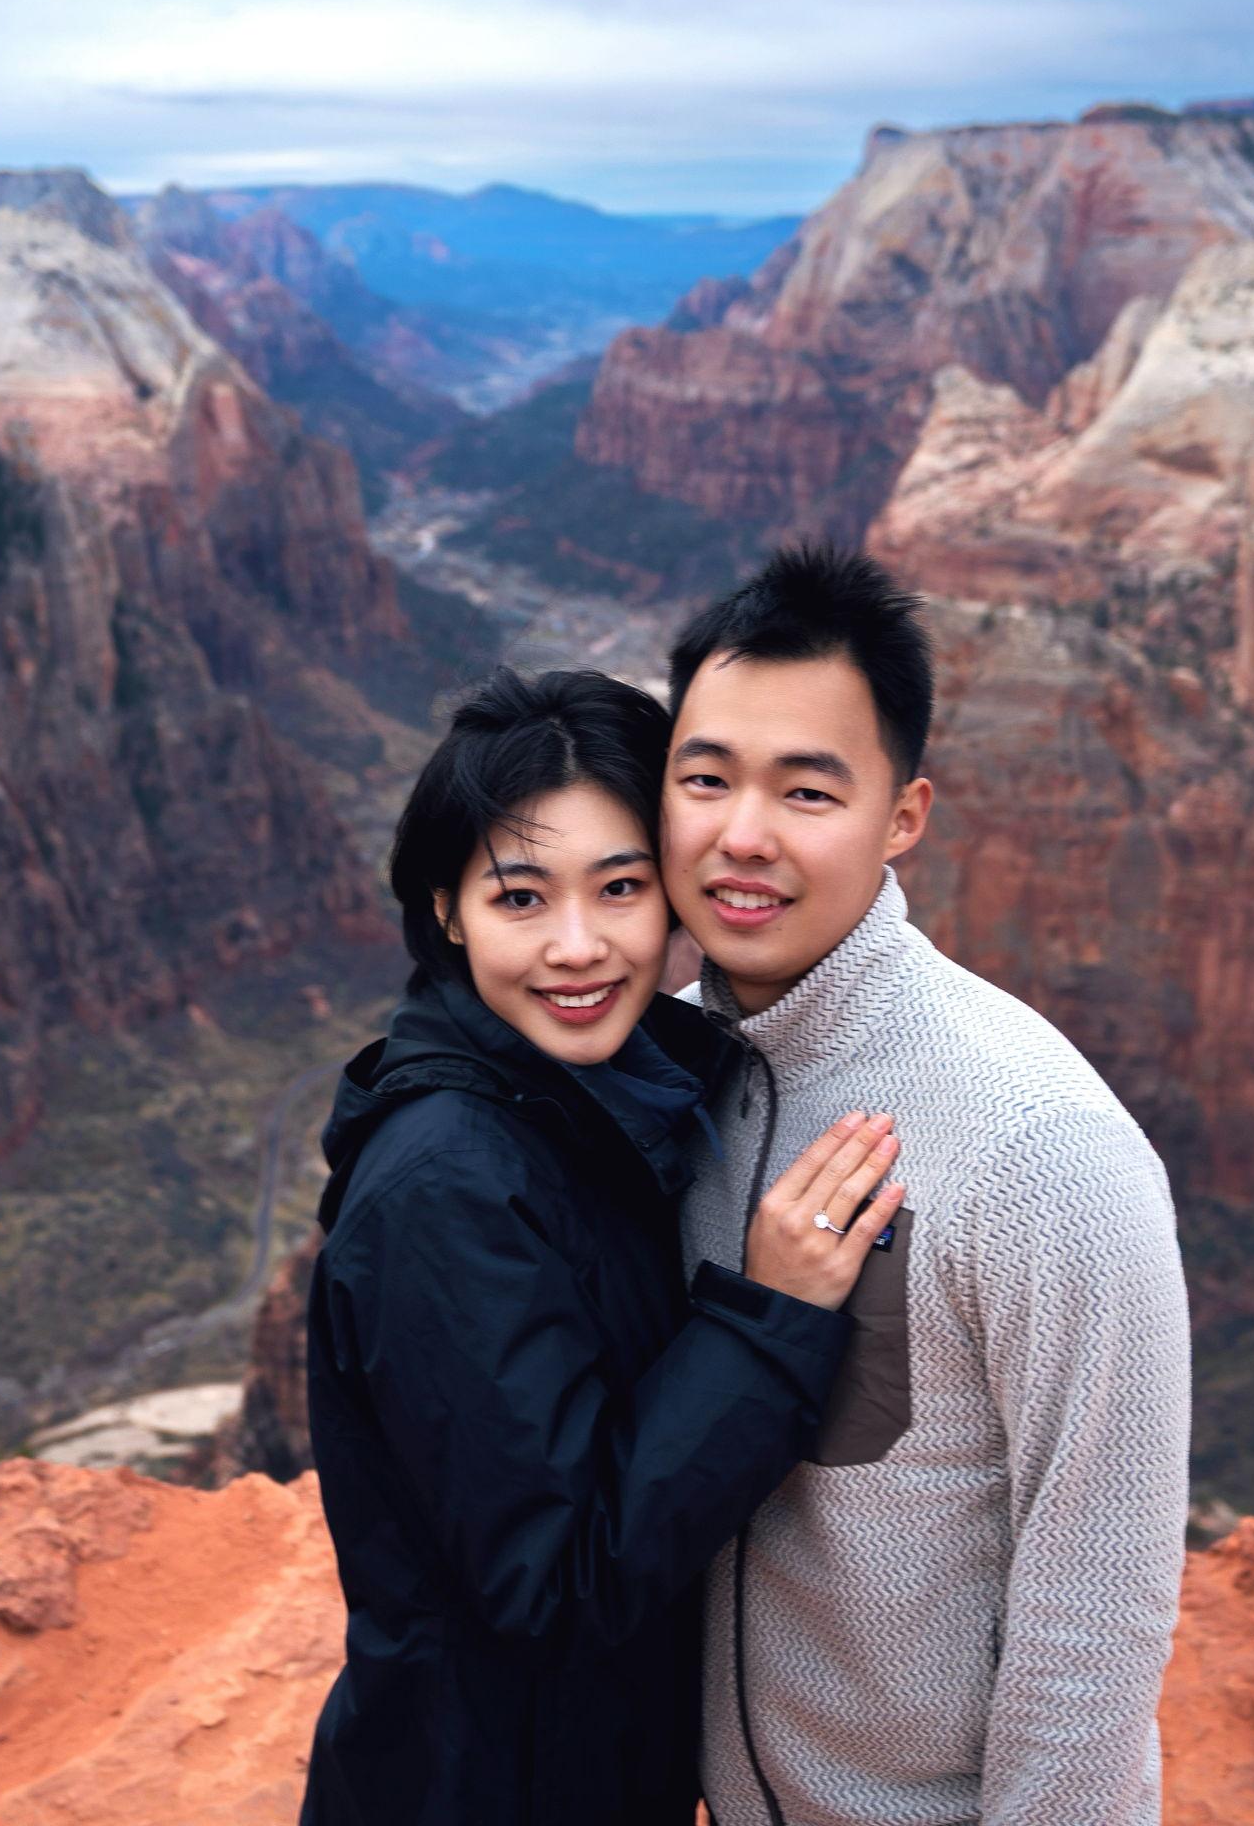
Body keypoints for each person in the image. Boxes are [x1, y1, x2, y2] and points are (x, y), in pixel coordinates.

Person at [298, 666, 908, 1826]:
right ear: (444, 908)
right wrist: (765, 1317)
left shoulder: (592, 1093)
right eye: (519, 899)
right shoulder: (446, 1187)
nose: (576, 948)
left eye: (620, 887)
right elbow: (558, 1579)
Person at [662, 545, 1192, 1826]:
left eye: (806, 790)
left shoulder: (1039, 1146)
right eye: (705, 777)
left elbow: (1097, 1614)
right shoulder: (657, 1083)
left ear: (902, 816)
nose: (742, 835)